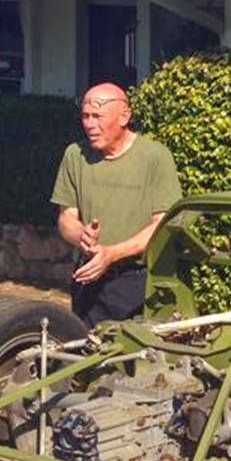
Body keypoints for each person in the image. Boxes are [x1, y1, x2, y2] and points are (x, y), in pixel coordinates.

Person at [51, 82, 182, 326]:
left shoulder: (155, 157)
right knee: (84, 356)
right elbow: (65, 217)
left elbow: (163, 223)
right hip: (87, 279)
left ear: (124, 117)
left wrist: (112, 253)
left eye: (98, 117)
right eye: (85, 116)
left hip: (136, 283)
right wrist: (83, 236)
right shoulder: (75, 154)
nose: (90, 124)